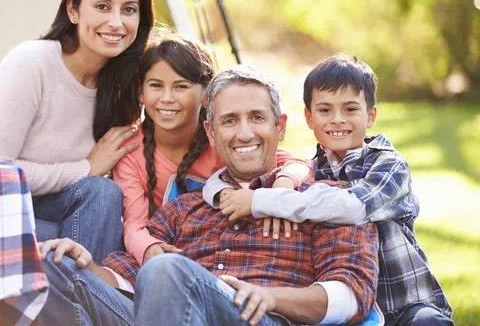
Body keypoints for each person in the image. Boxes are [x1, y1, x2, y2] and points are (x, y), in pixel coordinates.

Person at [37, 65, 380, 326]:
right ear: (211, 133)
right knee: (51, 267)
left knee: (166, 269)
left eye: (257, 118)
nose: (244, 133)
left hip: (261, 318)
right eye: (229, 121)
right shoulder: (185, 209)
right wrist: (82, 263)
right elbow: (124, 276)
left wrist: (269, 298)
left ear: (280, 127)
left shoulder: (325, 201)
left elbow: (352, 294)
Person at [204, 55, 453, 326]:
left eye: (349, 109)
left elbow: (353, 207)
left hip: (404, 303)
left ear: (370, 115)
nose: (337, 120)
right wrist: (220, 193)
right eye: (325, 111)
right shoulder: (312, 168)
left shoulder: (389, 165)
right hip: (353, 307)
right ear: (309, 118)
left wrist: (264, 200)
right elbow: (258, 172)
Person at [0, 0, 155, 262]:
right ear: (73, 9)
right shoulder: (32, 64)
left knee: (103, 197)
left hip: (64, 217)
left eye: (129, 10)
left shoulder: (127, 85)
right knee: (93, 206)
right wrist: (84, 169)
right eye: (102, 6)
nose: (116, 22)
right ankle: (87, 303)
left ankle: (78, 300)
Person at [113, 30, 311, 265]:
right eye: (156, 85)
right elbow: (133, 223)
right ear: (140, 91)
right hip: (169, 249)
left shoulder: (222, 137)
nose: (167, 97)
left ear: (206, 96)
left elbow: (296, 163)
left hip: (223, 246)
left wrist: (283, 184)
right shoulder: (131, 152)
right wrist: (148, 248)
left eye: (180, 86)